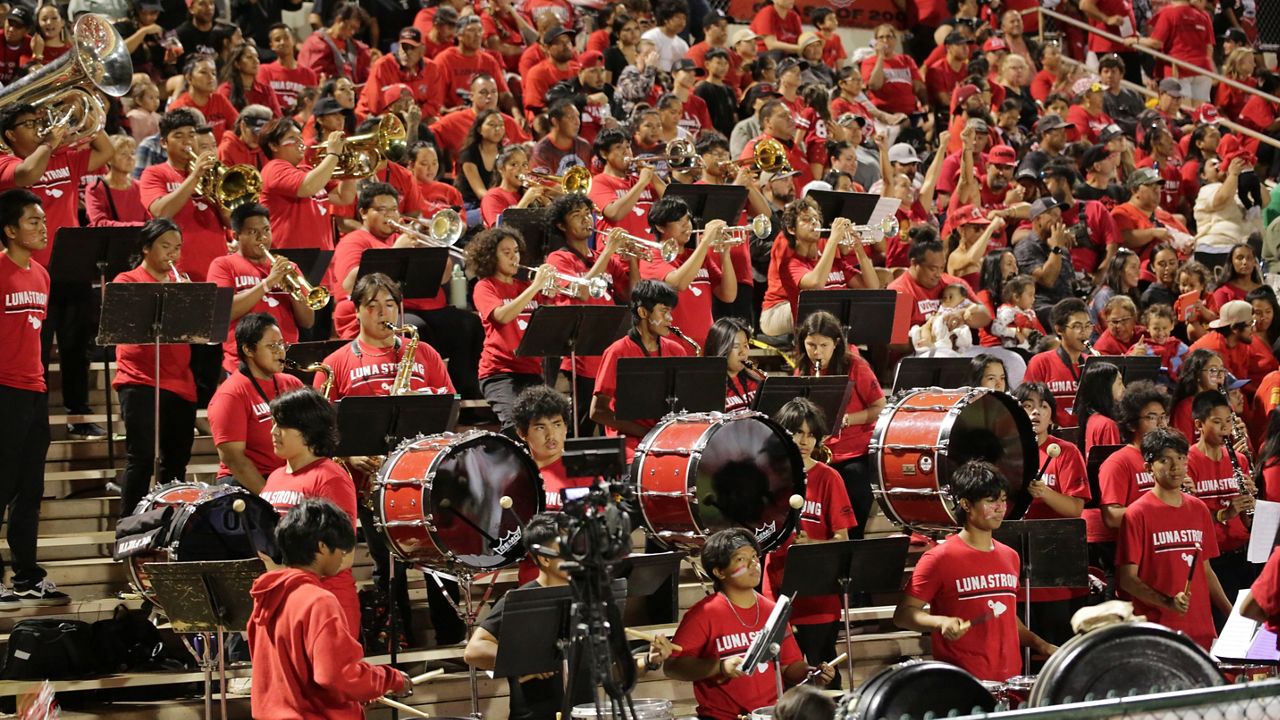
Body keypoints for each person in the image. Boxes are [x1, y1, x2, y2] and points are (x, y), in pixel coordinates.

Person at [464, 513, 675, 719]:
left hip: (583, 714)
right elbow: (474, 650)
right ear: (545, 559)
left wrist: (649, 660)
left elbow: (610, 671)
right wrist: (527, 661)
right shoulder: (522, 600)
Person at [0, 101, 113, 440]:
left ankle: (78, 417)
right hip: (28, 273)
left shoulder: (63, 155)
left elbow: (105, 151)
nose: (38, 127)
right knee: (38, 347)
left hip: (71, 267)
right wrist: (49, 142)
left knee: (76, 348)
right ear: (9, 134)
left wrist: (87, 113)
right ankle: (34, 417)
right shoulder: (7, 162)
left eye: (39, 121)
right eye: (29, 124)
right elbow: (27, 175)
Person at [894, 459, 1058, 681]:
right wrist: (939, 622)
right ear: (965, 504)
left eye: (1002, 500)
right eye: (991, 501)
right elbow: (903, 615)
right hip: (963, 682)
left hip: (1009, 679)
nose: (1000, 508)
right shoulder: (939, 558)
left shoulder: (1010, 556)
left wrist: (1041, 645)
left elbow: (1006, 617)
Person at [246, 498, 410, 719]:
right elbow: (336, 675)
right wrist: (392, 679)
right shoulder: (318, 601)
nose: (343, 556)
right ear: (322, 546)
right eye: (341, 549)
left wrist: (357, 692)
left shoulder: (266, 596)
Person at [666, 527, 833, 719]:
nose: (754, 563)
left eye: (754, 556)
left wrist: (812, 672)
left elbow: (788, 666)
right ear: (719, 572)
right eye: (741, 559)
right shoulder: (703, 614)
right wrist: (719, 667)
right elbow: (673, 666)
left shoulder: (773, 610)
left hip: (769, 714)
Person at [764, 398, 856, 688]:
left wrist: (813, 542)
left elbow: (842, 540)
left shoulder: (829, 478)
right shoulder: (765, 478)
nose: (804, 441)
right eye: (796, 432)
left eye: (810, 434)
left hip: (818, 596)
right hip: (777, 593)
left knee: (823, 676)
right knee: (782, 680)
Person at [0, 189, 64, 606]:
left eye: (43, 220)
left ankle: (26, 573)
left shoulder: (41, 275)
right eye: (33, 222)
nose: (43, 227)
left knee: (30, 490)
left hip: (34, 391)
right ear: (9, 230)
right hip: (3, 391)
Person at [1116, 427, 1232, 651]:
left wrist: (1230, 613)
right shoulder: (1137, 513)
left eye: (1181, 458)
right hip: (1158, 634)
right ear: (1149, 467)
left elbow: (1205, 570)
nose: (1176, 466)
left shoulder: (1198, 509)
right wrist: (1167, 602)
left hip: (1202, 631)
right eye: (1165, 460)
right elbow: (1127, 579)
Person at [113, 219, 198, 517]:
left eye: (177, 248)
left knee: (176, 461)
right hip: (139, 379)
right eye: (165, 247)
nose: (172, 254)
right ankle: (128, 527)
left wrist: (189, 302)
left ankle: (167, 524)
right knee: (142, 456)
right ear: (146, 247)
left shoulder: (182, 280)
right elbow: (126, 331)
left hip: (180, 382)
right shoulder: (127, 281)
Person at [259, 387, 359, 635]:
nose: (273, 432)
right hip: (285, 603)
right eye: (273, 424)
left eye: (281, 426)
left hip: (325, 607)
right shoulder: (274, 477)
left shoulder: (329, 478)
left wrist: (282, 573)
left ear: (307, 430)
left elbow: (344, 556)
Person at [543, 194, 636, 433]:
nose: (586, 219)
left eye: (587, 213)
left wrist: (633, 258)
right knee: (583, 425)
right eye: (577, 215)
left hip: (608, 345)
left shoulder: (600, 258)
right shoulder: (558, 258)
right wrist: (610, 251)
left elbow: (632, 294)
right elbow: (581, 292)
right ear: (561, 225)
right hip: (581, 352)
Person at [1012, 382, 1091, 645]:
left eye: (1043, 406)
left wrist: (1046, 494)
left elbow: (1076, 509)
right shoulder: (1005, 452)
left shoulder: (1066, 452)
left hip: (1058, 569)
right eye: (1027, 406)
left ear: (1051, 415)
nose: (1035, 412)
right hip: (1016, 570)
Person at [794, 311, 885, 537]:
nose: (817, 352)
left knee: (853, 525)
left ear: (836, 343)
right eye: (811, 344)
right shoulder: (802, 369)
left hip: (855, 455)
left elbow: (880, 406)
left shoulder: (855, 366)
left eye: (823, 345)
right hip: (819, 455)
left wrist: (847, 420)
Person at [206, 203, 315, 374]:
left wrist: (294, 293)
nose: (262, 237)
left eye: (266, 230)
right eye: (252, 232)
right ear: (236, 235)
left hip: (285, 360)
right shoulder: (223, 265)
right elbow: (223, 311)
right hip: (243, 362)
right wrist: (268, 283)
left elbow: (307, 321)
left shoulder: (287, 267)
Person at [590, 279, 688, 459]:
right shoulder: (617, 352)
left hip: (666, 439)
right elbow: (598, 411)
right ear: (643, 312)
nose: (670, 319)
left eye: (670, 312)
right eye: (664, 311)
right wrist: (648, 433)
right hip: (631, 445)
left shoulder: (677, 350)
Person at [467, 227, 553, 433]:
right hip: (500, 373)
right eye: (506, 253)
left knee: (547, 426)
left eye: (515, 251)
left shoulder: (525, 285)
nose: (514, 257)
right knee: (516, 426)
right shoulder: (485, 287)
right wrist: (535, 287)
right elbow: (502, 316)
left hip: (531, 370)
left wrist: (549, 292)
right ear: (490, 256)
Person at [207, 313, 305, 493]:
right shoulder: (230, 394)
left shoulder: (292, 383)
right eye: (271, 346)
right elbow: (235, 459)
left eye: (281, 344)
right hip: (245, 486)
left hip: (287, 478)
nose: (280, 351)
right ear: (248, 350)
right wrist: (272, 499)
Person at [760, 198, 878, 337]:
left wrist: (859, 248)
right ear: (792, 229)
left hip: (825, 316)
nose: (814, 222)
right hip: (779, 310)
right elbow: (816, 284)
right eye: (806, 219)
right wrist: (833, 239)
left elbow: (872, 287)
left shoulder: (834, 261)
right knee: (825, 307)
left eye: (816, 218)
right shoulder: (791, 264)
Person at [1186, 390, 1256, 623]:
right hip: (1213, 559)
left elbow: (1246, 520)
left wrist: (1250, 504)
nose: (1225, 428)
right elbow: (1188, 514)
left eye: (1228, 421)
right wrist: (1224, 513)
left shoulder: (1240, 459)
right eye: (1217, 422)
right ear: (1199, 424)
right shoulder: (1187, 461)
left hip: (1243, 553)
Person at [1092, 381, 1170, 581]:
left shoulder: (1170, 459)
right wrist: (1160, 511)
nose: (1161, 424)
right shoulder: (1118, 462)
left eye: (1163, 417)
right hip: (1133, 562)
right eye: (1152, 418)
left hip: (1166, 555)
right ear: (1131, 423)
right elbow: (1111, 516)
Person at [640, 196, 734, 346]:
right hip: (674, 344)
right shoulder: (651, 256)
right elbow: (678, 283)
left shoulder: (698, 256)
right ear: (660, 227)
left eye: (688, 220)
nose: (687, 226)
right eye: (679, 221)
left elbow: (728, 295)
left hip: (706, 342)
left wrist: (725, 254)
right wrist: (705, 241)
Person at [1024, 298, 1093, 429]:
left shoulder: (1093, 362)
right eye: (1077, 326)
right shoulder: (1040, 362)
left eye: (1088, 325)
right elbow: (1028, 404)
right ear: (1059, 329)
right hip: (1053, 437)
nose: (1084, 331)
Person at [513, 386, 583, 512]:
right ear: (522, 433)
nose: (551, 435)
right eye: (540, 427)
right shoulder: (514, 477)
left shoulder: (582, 472)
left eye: (557, 425)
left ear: (566, 428)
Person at [705, 317, 761, 412]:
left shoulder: (756, 380)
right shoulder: (708, 388)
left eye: (745, 345)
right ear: (721, 348)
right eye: (735, 346)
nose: (742, 352)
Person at [1171, 349, 1227, 441]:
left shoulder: (1225, 404)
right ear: (1197, 375)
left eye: (1222, 370)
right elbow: (1183, 449)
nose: (1220, 375)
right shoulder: (1185, 408)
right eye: (1213, 370)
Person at [1076, 361, 1124, 458]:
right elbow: (1114, 465)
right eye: (1119, 383)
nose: (1124, 388)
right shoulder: (1107, 425)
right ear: (1105, 388)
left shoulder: (1091, 418)